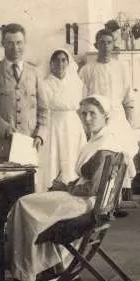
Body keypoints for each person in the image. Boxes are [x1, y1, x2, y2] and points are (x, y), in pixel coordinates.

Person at [6, 95, 127, 281]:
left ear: (105, 116)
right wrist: (65, 186)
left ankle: (25, 272)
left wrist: (66, 187)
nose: (87, 118)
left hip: (86, 204)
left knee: (24, 204)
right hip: (93, 202)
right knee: (34, 203)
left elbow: (92, 188)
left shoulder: (105, 146)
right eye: (84, 114)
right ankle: (46, 265)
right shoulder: (102, 139)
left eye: (92, 114)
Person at [0, 23, 48, 164]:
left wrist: (40, 135)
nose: (15, 48)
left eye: (19, 43)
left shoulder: (34, 72)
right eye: (10, 43)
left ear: (25, 43)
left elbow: (44, 110)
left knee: (27, 180)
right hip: (1, 148)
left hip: (29, 146)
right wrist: (6, 130)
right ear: (3, 43)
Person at [79, 29, 139, 190]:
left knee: (122, 154)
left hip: (117, 117)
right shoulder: (87, 70)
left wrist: (130, 119)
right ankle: (101, 195)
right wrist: (86, 124)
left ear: (113, 45)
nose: (106, 46)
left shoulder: (121, 67)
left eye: (109, 43)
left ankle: (122, 194)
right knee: (101, 156)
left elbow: (128, 95)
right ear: (96, 45)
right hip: (97, 120)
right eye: (102, 43)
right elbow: (82, 100)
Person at [38, 49, 85, 189]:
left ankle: (73, 187)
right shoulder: (44, 84)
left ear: (68, 63)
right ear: (51, 64)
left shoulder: (76, 82)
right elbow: (44, 107)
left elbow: (80, 104)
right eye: (56, 60)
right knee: (55, 158)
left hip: (73, 124)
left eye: (63, 60)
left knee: (73, 157)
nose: (60, 63)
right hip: (54, 124)